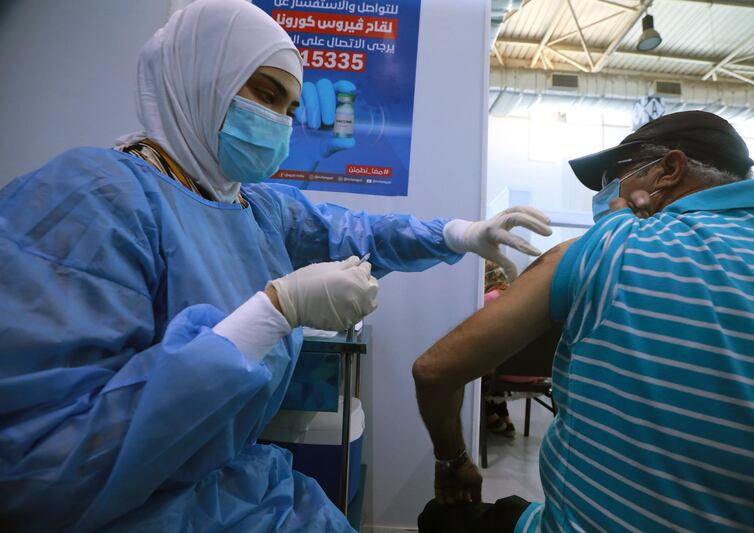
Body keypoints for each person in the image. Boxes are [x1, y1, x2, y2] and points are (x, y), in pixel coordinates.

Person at [0, 1, 552, 531]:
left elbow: (357, 233)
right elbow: (37, 470)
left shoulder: (248, 206)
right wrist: (273, 311)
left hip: (235, 490)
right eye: (265, 94)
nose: (279, 123)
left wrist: (461, 233)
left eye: (289, 109)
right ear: (199, 77)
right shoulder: (90, 199)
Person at [412, 111, 754, 532]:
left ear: (669, 170)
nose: (604, 195)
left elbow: (435, 371)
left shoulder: (610, 246)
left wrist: (453, 460)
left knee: (442, 520)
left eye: (614, 178)